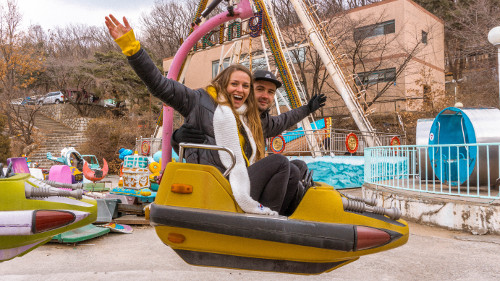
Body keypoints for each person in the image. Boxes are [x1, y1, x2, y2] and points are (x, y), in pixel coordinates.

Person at [105, 14, 298, 216]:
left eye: (245, 86)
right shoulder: (200, 100)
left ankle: (292, 223)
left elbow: (281, 121)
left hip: (237, 180)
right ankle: (268, 224)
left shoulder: (246, 117)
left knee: (295, 168)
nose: (240, 90)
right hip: (215, 181)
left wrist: (308, 108)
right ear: (223, 84)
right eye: (234, 84)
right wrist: (131, 47)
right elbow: (159, 85)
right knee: (280, 163)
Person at [174, 70, 326, 215]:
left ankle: (290, 218)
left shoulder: (261, 122)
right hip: (227, 182)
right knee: (281, 163)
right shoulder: (229, 114)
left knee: (298, 167)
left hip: (247, 176)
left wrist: (307, 109)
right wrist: (176, 138)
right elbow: (199, 141)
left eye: (270, 92)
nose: (265, 96)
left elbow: (285, 120)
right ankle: (266, 221)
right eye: (260, 89)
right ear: (248, 91)